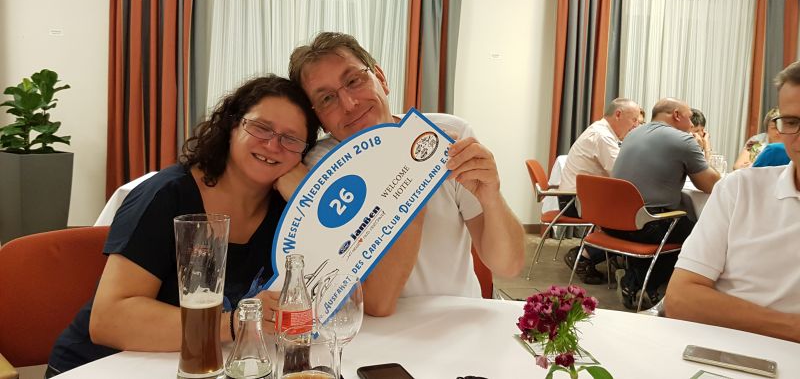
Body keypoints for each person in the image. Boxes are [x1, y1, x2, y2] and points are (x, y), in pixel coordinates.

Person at [47, 76, 320, 375]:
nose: (272, 145)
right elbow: (108, 320)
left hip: (201, 366)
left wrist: (307, 198)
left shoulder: (286, 211)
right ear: (232, 126)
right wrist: (233, 323)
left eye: (291, 139)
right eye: (261, 127)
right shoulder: (166, 195)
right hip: (102, 366)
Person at [282, 32, 525, 317]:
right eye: (326, 98)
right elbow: (373, 299)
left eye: (354, 81)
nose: (349, 104)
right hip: (378, 332)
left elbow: (508, 265)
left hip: (457, 320)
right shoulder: (324, 165)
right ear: (320, 120)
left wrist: (491, 196)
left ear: (381, 78)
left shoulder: (446, 135)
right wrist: (410, 181)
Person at [665, 61, 800, 342]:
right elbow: (680, 298)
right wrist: (791, 327)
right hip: (722, 348)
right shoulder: (740, 189)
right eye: (791, 123)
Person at [609, 98, 720, 309]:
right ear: (677, 115)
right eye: (689, 118)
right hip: (644, 225)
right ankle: (646, 284)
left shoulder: (633, 133)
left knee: (675, 222)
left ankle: (637, 280)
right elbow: (711, 185)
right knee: (703, 236)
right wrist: (703, 149)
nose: (691, 124)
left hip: (611, 221)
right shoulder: (683, 140)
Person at [557, 98, 642, 284]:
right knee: (636, 218)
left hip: (578, 198)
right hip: (575, 201)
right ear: (618, 114)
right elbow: (621, 172)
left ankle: (599, 255)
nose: (636, 125)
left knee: (634, 214)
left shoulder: (602, 132)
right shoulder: (603, 136)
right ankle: (584, 256)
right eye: (634, 119)